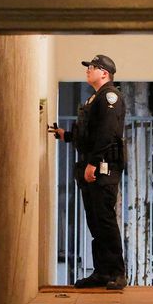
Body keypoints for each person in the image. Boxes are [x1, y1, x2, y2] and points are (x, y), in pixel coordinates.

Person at [49, 54, 127, 290]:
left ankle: (117, 272)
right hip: (91, 167)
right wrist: (66, 135)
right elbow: (89, 133)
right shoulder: (95, 98)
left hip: (103, 168)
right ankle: (102, 272)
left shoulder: (110, 96)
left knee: (104, 220)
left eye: (92, 67)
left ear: (104, 73)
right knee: (95, 222)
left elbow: (108, 132)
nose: (88, 70)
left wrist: (93, 163)